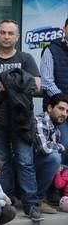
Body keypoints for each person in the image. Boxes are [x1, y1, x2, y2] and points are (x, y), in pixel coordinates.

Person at [0, 20, 42, 220]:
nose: (6, 36)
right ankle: (7, 201)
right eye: (3, 32)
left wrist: (9, 82)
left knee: (25, 160)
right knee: (1, 161)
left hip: (21, 118)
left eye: (10, 33)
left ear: (16, 37)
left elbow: (37, 85)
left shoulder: (26, 59)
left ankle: (31, 203)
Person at [33, 93, 68, 213]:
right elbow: (44, 148)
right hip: (24, 170)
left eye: (67, 111)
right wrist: (61, 147)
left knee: (58, 161)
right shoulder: (40, 120)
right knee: (55, 158)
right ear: (49, 108)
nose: (64, 114)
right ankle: (37, 200)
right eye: (61, 108)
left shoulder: (56, 130)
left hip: (39, 165)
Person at [40, 17, 68, 148]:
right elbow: (47, 83)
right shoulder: (51, 49)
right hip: (58, 112)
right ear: (64, 28)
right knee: (62, 146)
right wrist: (65, 102)